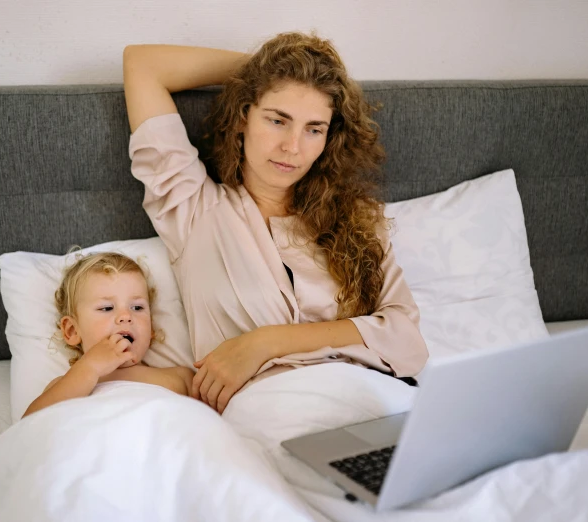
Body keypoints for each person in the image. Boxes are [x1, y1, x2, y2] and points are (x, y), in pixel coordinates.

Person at [122, 31, 428, 415]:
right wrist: (268, 71)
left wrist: (267, 342)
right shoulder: (191, 206)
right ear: (242, 117)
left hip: (377, 405)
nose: (293, 147)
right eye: (278, 120)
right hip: (272, 417)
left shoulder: (355, 220)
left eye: (313, 128)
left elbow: (405, 338)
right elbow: (142, 65)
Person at [22, 252, 195, 417]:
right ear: (72, 331)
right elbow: (29, 427)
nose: (126, 316)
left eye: (137, 308)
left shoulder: (179, 378)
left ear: (151, 330)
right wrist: (90, 367)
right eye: (107, 308)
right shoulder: (67, 386)